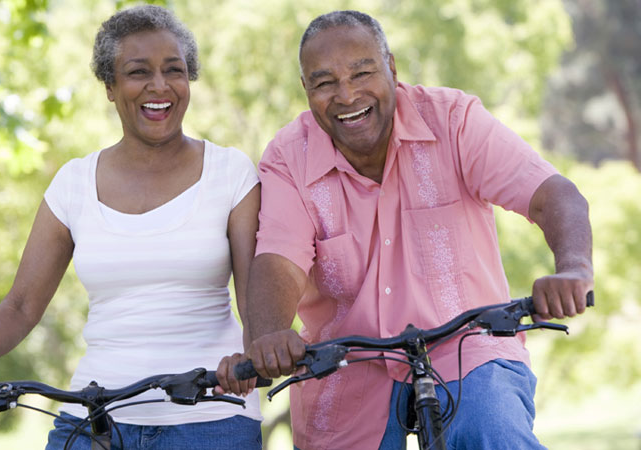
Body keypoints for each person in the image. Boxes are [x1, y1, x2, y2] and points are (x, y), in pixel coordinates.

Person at [238, 10, 594, 450]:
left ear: (391, 67)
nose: (346, 95)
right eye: (324, 82)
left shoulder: (453, 120)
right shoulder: (288, 156)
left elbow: (551, 194)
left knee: (494, 431)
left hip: (467, 348)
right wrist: (271, 332)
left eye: (362, 72)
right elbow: (279, 258)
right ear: (306, 90)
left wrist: (573, 268)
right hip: (345, 364)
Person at [0, 5, 263, 449]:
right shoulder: (73, 183)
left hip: (213, 416)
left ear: (189, 79)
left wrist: (252, 356)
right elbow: (22, 304)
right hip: (94, 418)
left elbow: (255, 296)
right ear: (110, 86)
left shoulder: (231, 172)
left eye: (174, 71)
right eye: (138, 72)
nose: (159, 86)